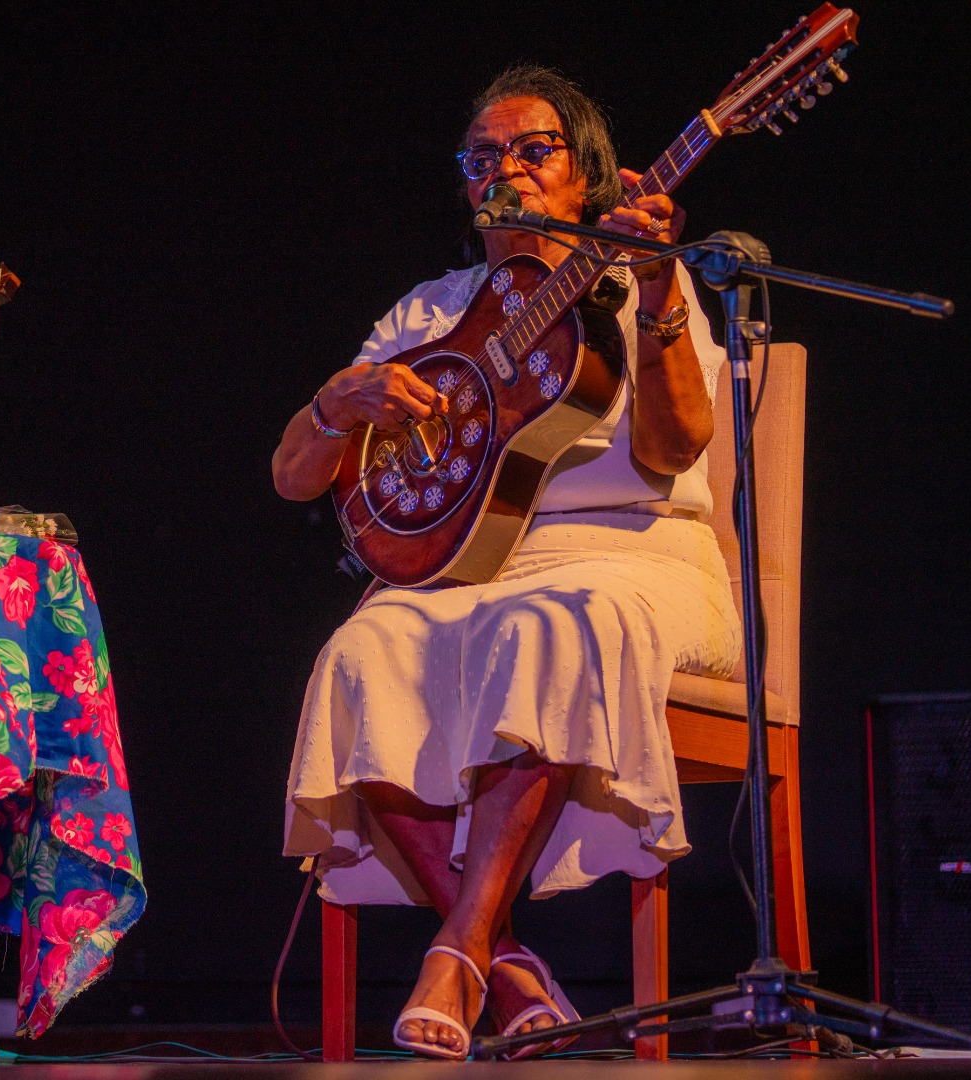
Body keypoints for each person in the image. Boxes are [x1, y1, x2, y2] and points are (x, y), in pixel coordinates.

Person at [275, 67, 740, 1060]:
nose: (506, 170)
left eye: (533, 150)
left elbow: (670, 450)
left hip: (629, 556)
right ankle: (504, 957)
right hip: (465, 571)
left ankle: (455, 953)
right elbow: (291, 476)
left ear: (587, 180)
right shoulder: (429, 309)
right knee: (358, 652)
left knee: (546, 622)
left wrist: (657, 289)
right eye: (482, 155)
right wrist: (336, 405)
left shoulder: (631, 278)